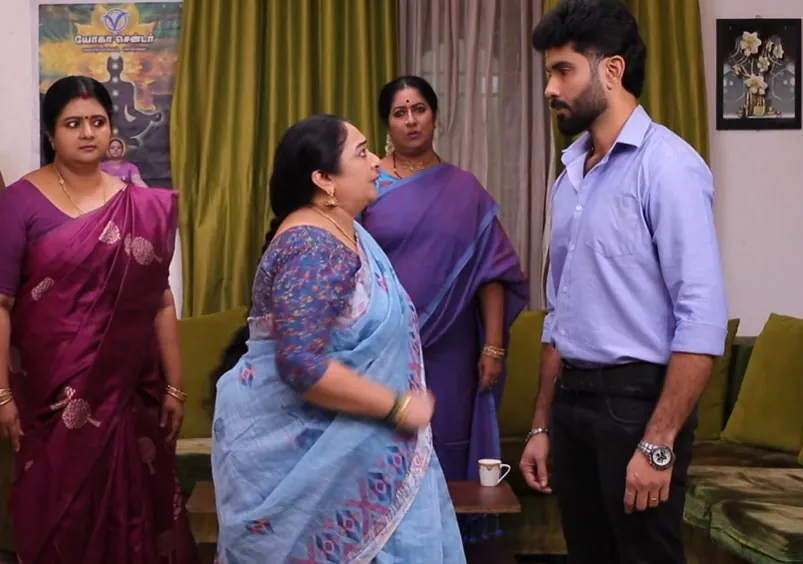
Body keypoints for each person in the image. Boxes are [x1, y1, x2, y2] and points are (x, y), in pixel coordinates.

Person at [519, 2, 728, 563]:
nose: (550, 88)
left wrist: (658, 443)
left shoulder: (670, 168)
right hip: (571, 406)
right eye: (549, 73)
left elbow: (701, 320)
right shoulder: (570, 173)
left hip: (637, 406)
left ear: (611, 70)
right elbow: (560, 314)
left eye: (563, 71)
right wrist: (541, 425)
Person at [210, 114, 466, 564]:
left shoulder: (343, 231)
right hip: (309, 462)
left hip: (354, 453)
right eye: (362, 153)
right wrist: (397, 406)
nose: (377, 162)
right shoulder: (313, 246)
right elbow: (300, 364)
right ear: (324, 179)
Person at [0, 76, 199, 563]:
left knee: (137, 513)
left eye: (97, 121)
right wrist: (2, 394)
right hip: (50, 398)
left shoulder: (139, 204)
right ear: (51, 134)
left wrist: (175, 387)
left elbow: (160, 301)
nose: (88, 133)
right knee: (60, 518)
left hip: (131, 392)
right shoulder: (19, 203)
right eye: (73, 124)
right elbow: (1, 305)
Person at [360, 75, 529, 542]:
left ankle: (447, 543)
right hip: (383, 349)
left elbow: (491, 273)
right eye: (399, 112)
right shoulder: (367, 186)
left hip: (451, 349)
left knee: (446, 441)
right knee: (386, 447)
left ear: (435, 116)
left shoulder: (464, 190)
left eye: (420, 109)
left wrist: (493, 348)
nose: (411, 121)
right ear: (387, 123)